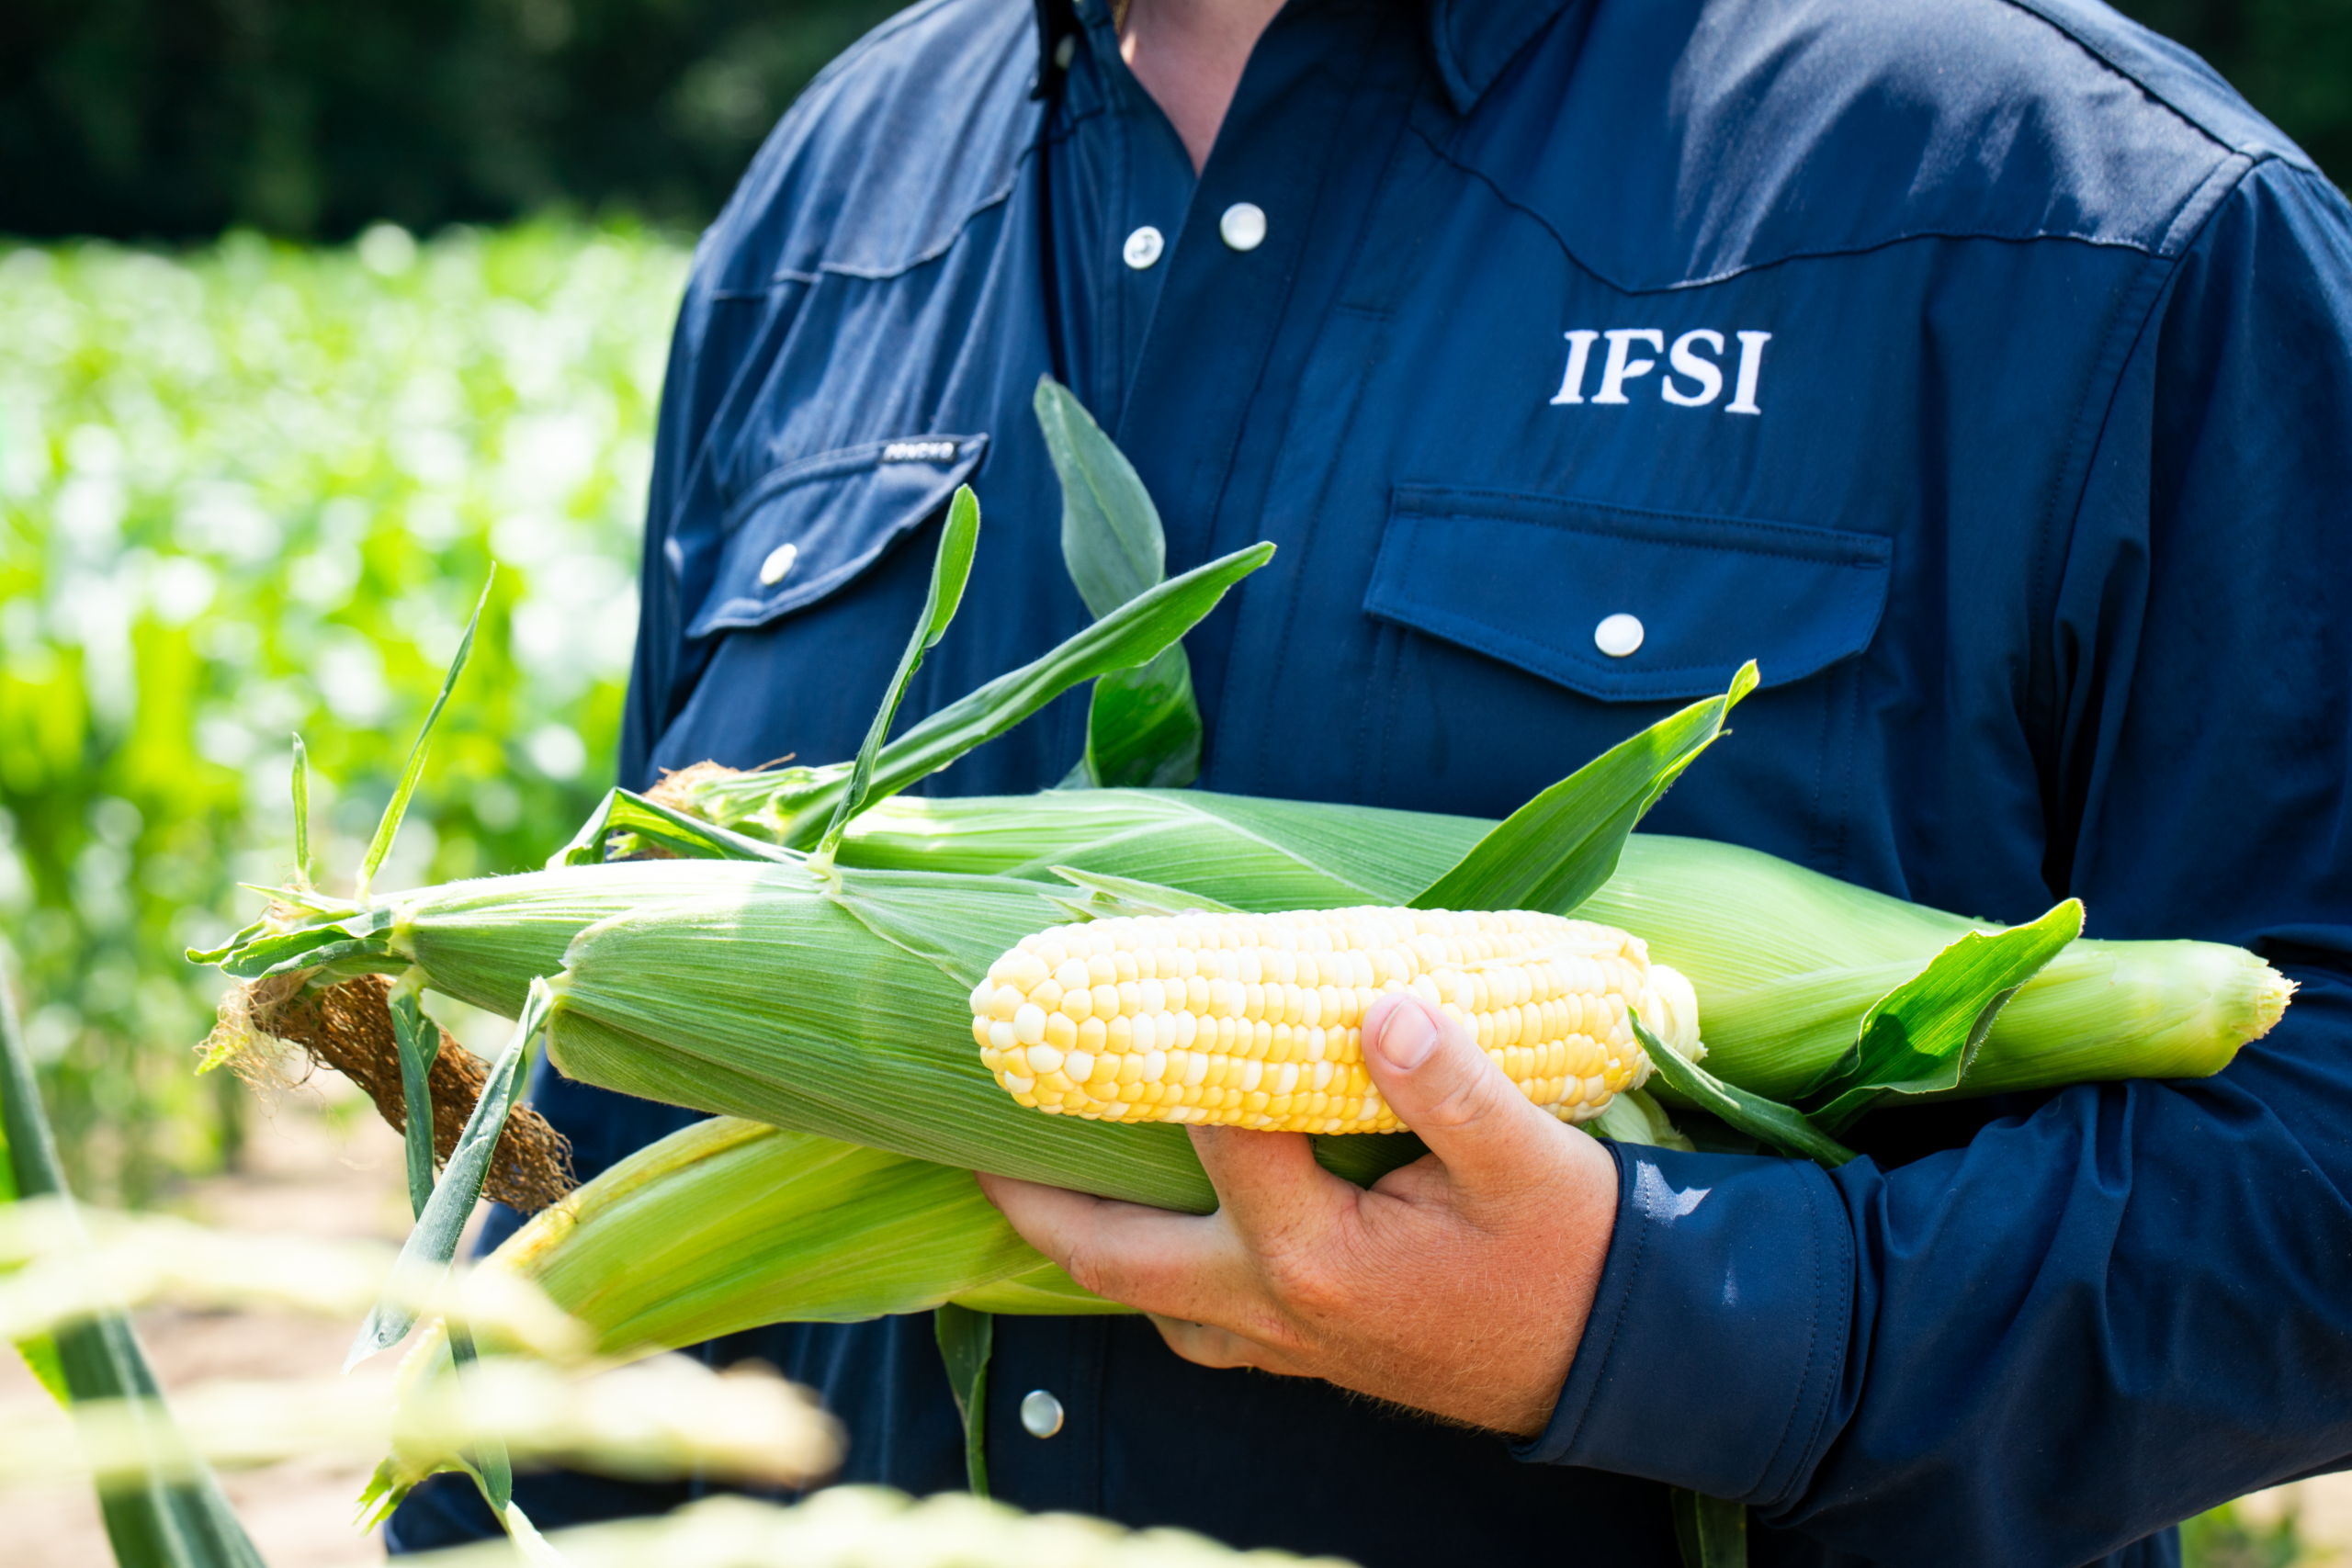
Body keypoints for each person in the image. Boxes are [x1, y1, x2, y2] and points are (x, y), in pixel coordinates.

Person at [386, 0, 2352, 1560]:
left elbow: (2316, 1145)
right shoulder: (833, 200)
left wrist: (1661, 1320)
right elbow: (644, 1054)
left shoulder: (2075, 213)